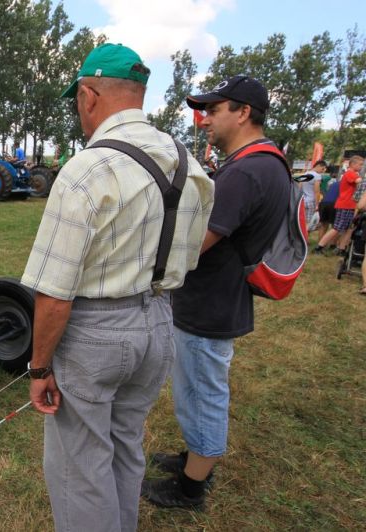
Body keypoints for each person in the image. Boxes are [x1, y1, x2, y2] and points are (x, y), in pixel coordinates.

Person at [22, 43, 214, 531]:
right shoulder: (190, 166)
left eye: (77, 101)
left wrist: (40, 366)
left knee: (80, 467)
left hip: (95, 333)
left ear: (88, 96)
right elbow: (190, 257)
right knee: (126, 446)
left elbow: (55, 291)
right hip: (159, 320)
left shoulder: (87, 169)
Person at [142, 75, 292, 509]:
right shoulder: (265, 162)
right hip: (220, 297)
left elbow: (195, 243)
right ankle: (194, 459)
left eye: (213, 110)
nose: (204, 120)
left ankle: (191, 488)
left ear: (243, 112)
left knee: (202, 394)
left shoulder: (246, 170)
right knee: (196, 389)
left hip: (209, 304)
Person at [313, 155, 363, 255]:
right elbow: (359, 181)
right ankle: (319, 247)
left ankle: (341, 249)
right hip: (345, 205)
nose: (361, 167)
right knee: (337, 228)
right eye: (360, 164)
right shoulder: (350, 173)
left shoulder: (353, 173)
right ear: (353, 164)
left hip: (350, 205)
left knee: (349, 228)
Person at [297, 159, 326, 229]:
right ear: (318, 166)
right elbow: (317, 191)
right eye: (322, 169)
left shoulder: (305, 174)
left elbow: (298, 187)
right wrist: (317, 204)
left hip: (302, 200)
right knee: (308, 223)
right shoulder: (317, 176)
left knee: (300, 221)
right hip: (311, 201)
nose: (322, 171)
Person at [317, 177, 340, 245]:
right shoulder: (346, 184)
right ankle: (333, 244)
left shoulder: (334, 183)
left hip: (324, 203)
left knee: (323, 224)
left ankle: (320, 244)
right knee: (335, 226)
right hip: (334, 203)